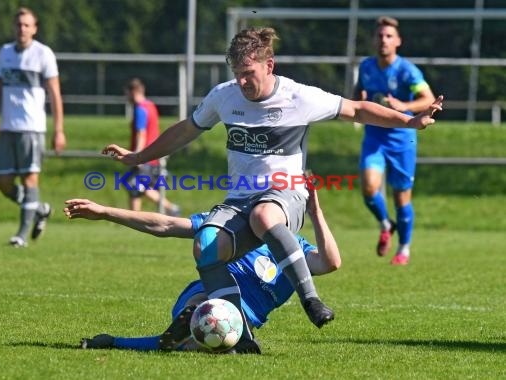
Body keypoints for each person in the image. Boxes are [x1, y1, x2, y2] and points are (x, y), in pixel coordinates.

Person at [102, 27, 443, 351]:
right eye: (236, 72)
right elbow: (186, 130)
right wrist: (139, 157)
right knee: (205, 245)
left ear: (269, 65)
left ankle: (310, 299)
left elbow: (356, 109)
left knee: (265, 215)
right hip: (239, 201)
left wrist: (409, 121)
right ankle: (241, 334)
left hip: (286, 196)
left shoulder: (299, 97)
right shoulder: (224, 97)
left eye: (248, 72)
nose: (241, 80)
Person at [64, 184, 341, 354]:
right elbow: (165, 225)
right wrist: (104, 212)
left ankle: (130, 341)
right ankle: (193, 320)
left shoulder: (297, 249)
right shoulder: (232, 226)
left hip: (245, 317)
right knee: (207, 310)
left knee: (209, 340)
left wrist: (316, 212)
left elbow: (330, 262)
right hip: (210, 293)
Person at [353, 16, 436, 266]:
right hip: (375, 136)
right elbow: (358, 93)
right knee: (369, 188)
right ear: (373, 40)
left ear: (398, 41)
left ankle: (404, 249)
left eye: (389, 36)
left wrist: (405, 105)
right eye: (379, 35)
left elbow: (428, 98)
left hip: (402, 140)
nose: (383, 40)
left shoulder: (407, 70)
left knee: (402, 199)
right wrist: (360, 98)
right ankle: (385, 224)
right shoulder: (366, 66)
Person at [0, 7, 65, 248]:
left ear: (34, 28)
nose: (22, 29)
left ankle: (21, 235)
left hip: (32, 128)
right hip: (8, 128)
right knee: (3, 182)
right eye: (19, 25)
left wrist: (58, 130)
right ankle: (39, 209)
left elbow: (55, 95)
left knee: (30, 181)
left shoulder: (43, 54)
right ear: (14, 27)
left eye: (27, 25)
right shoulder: (5, 52)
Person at [124, 78, 180, 216]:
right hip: (154, 154)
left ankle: (168, 208)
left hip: (145, 156)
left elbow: (141, 133)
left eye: (127, 94)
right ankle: (137, 216)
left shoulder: (140, 109)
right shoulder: (151, 106)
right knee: (138, 186)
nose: (126, 97)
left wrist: (137, 156)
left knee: (133, 185)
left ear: (133, 92)